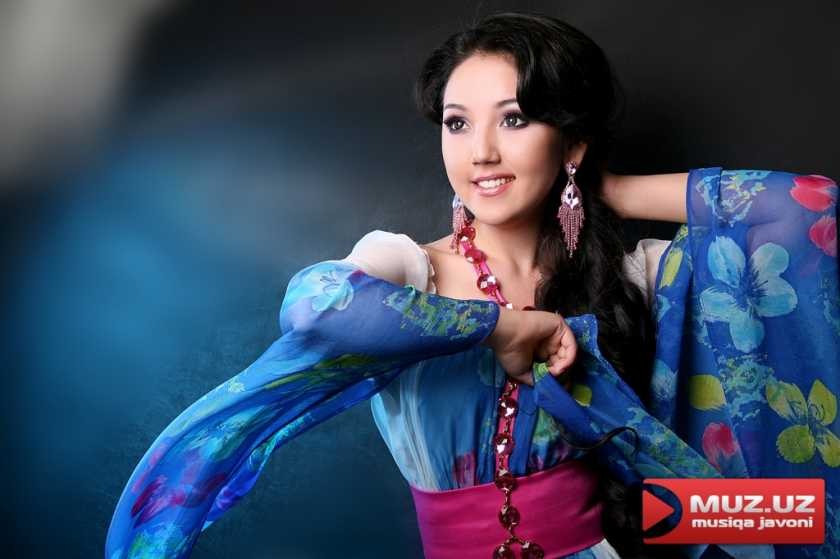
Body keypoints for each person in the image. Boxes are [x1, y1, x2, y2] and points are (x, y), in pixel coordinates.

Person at [105, 11, 839, 559]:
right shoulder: (408, 271)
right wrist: (501, 327)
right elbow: (316, 309)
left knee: (787, 518)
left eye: (514, 119)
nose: (481, 151)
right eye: (457, 124)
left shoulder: (627, 279)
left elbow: (807, 206)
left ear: (570, 140)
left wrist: (604, 187)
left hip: (618, 542)